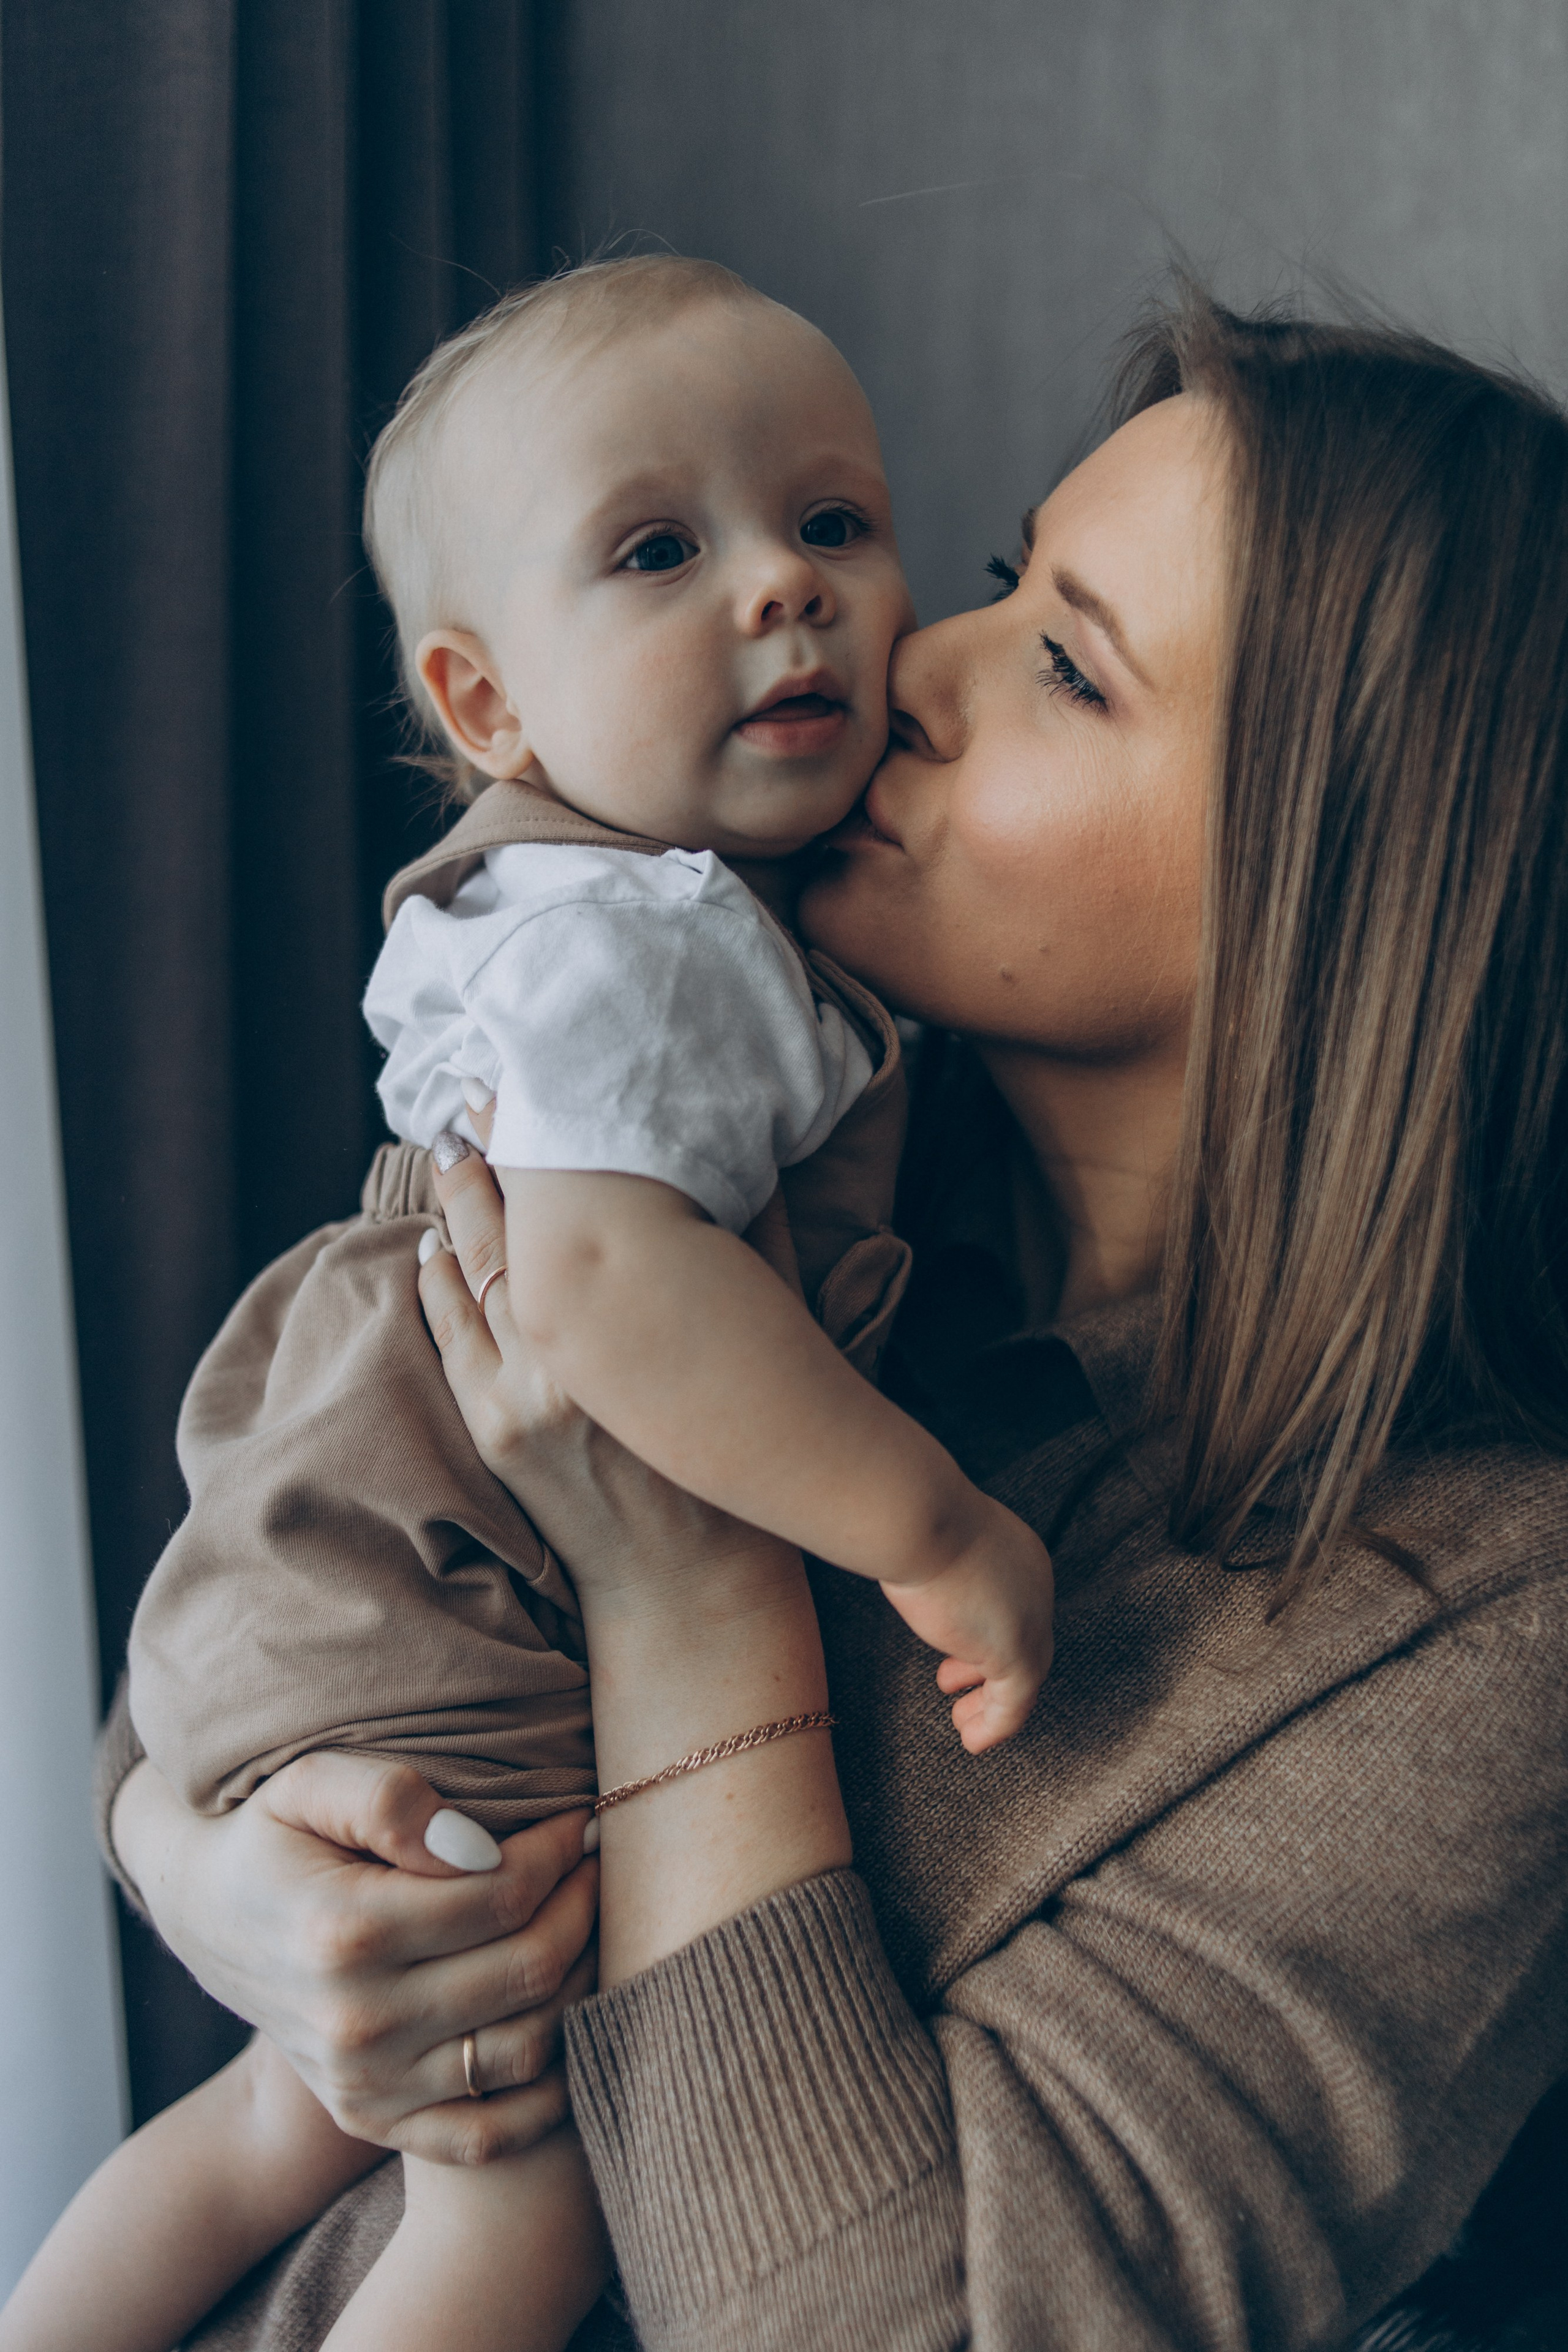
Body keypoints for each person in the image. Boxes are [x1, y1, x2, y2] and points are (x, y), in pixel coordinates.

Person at [72, 288, 1568, 2349]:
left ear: (1347, 884)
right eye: (989, 582)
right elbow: (311, 1529)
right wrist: (206, 1863)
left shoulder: (1482, 1634)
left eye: (1066, 666)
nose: (909, 668)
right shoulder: (777, 1139)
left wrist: (689, 1586)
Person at [0, 255, 1052, 2352]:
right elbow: (591, 1286)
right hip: (441, 1588)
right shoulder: (642, 937)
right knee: (520, 2185)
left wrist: (173, 1818)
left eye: (836, 522)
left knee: (273, 2127)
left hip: (327, 1573)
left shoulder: (597, 906)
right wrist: (933, 1525)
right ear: (486, 706)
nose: (790, 589)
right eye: (664, 551)